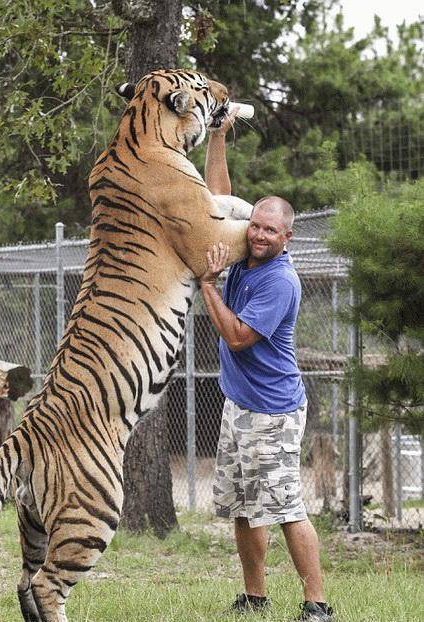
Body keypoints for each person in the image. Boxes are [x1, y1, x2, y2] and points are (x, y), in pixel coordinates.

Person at [199, 108, 334, 622]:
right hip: (240, 406)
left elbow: (236, 338)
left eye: (269, 230)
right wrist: (218, 136)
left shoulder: (279, 280)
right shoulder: (245, 249)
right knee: (240, 507)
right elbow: (217, 200)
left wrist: (208, 285)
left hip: (273, 413)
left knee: (284, 509)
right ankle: (255, 596)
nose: (257, 234)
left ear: (286, 238)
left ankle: (317, 605)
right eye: (254, 224)